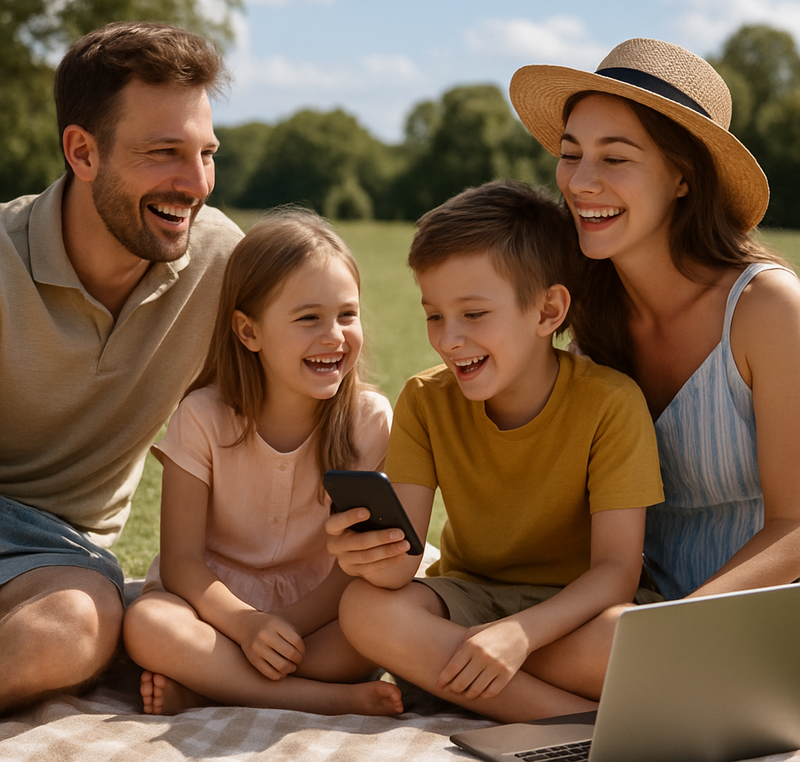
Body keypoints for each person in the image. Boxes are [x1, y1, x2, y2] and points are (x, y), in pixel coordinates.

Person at [506, 37, 800, 698]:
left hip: (763, 610)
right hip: (638, 609)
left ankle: (554, 702)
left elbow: (796, 526)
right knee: (435, 625)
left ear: (682, 176)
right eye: (571, 154)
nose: (581, 182)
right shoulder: (588, 315)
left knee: (486, 653)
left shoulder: (765, 308)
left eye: (615, 157)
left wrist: (676, 629)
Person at [325, 180, 664, 722]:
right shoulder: (423, 401)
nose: (449, 338)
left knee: (640, 645)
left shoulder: (611, 404)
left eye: (474, 314)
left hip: (582, 610)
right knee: (364, 610)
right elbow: (402, 568)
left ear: (548, 311)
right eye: (434, 314)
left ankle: (461, 679)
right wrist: (369, 557)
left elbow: (616, 571)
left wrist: (517, 636)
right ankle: (578, 725)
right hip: (470, 598)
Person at [0, 21, 243, 714]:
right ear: (81, 151)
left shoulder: (222, 262)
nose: (195, 184)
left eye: (206, 153)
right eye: (165, 152)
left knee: (74, 630)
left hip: (57, 556)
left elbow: (296, 403)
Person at [123, 209, 402, 717]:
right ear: (249, 332)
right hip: (213, 605)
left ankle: (212, 685)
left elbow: (353, 566)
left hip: (319, 608)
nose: (335, 336)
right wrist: (247, 625)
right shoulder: (202, 416)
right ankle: (325, 700)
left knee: (376, 630)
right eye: (308, 318)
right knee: (147, 625)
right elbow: (182, 561)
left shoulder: (370, 421)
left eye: (347, 314)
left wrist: (288, 624)